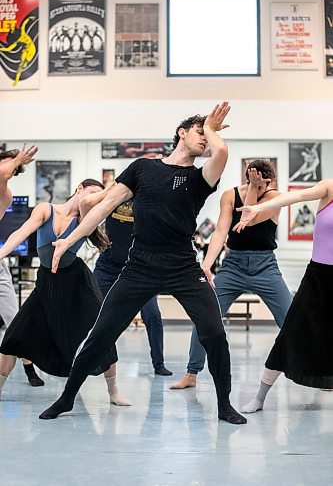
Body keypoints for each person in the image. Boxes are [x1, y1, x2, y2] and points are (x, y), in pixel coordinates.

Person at [39, 102, 247, 425]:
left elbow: (221, 154)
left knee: (214, 332)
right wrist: (69, 239)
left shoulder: (198, 178)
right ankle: (67, 398)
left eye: (207, 133)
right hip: (140, 266)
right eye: (198, 130)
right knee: (101, 334)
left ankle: (224, 405)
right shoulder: (142, 169)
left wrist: (210, 129)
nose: (205, 139)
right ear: (181, 132)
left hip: (183, 266)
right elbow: (104, 206)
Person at [0, 179, 129, 406]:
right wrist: (1, 255)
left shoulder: (85, 217)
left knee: (102, 333)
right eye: (92, 193)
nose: (94, 199)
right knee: (13, 337)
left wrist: (108, 193)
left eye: (99, 197)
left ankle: (113, 391)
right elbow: (21, 232)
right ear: (78, 189)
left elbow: (90, 203)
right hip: (46, 283)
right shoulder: (45, 209)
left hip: (77, 283)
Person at [169, 160, 293, 390]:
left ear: (270, 182)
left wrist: (256, 191)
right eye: (255, 183)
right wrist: (206, 264)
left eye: (264, 185)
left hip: (265, 265)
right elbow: (221, 231)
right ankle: (191, 373)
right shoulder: (229, 195)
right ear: (248, 178)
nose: (261, 187)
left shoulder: (276, 197)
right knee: (206, 316)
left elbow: (251, 219)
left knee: (292, 319)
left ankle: (315, 370)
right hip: (233, 265)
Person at [232, 180, 333, 413]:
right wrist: (258, 208)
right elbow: (296, 197)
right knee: (290, 335)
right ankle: (259, 397)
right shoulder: (329, 188)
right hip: (317, 279)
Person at [93, 198, 172, 376]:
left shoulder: (150, 199)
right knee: (92, 308)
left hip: (140, 268)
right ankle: (85, 357)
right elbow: (90, 210)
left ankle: (158, 364)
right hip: (108, 266)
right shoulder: (114, 195)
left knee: (152, 314)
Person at [0, 144, 44, 386]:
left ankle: (29, 367)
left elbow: (3, 174)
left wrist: (17, 161)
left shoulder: (4, 195)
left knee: (14, 322)